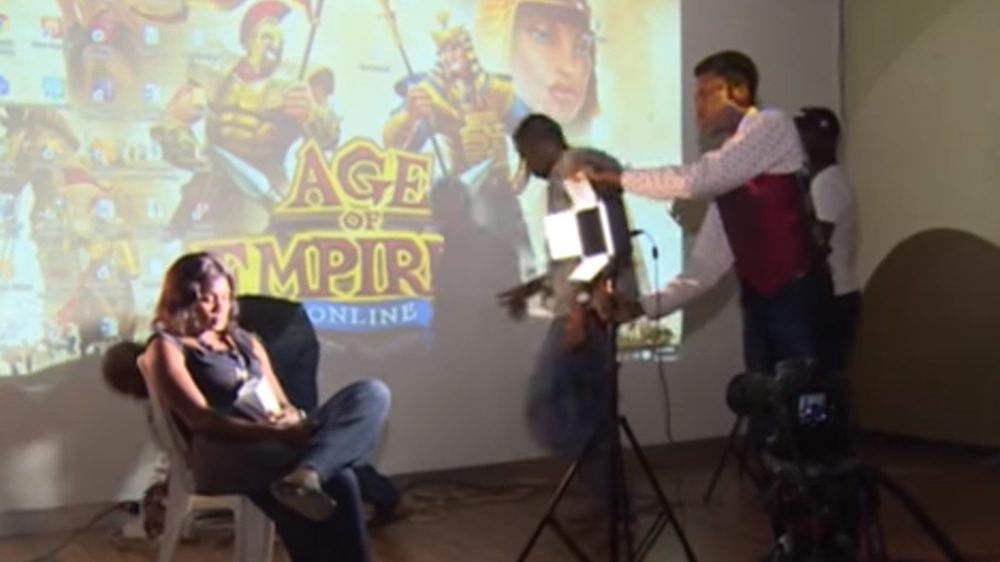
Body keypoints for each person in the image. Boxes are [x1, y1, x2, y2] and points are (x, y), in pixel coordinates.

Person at [562, 50, 833, 374]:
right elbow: (705, 269)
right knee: (761, 394)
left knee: (803, 393)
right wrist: (642, 307)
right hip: (759, 300)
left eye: (706, 94)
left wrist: (619, 179)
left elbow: (701, 178)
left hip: (799, 295)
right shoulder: (732, 170)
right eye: (696, 97)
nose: (698, 107)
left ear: (739, 91)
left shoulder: (772, 124)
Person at [143, 252, 389, 562]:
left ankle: (308, 472)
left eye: (225, 298)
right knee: (340, 479)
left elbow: (282, 401)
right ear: (183, 300)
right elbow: (201, 420)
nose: (220, 308)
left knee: (371, 394)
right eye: (208, 300)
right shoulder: (167, 347)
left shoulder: (245, 340)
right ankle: (308, 472)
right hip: (225, 449)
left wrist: (290, 418)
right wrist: (273, 434)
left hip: (274, 439)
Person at [498, 113, 641, 520]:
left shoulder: (570, 174)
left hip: (588, 311)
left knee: (546, 405)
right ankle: (614, 502)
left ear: (542, 145)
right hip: (593, 306)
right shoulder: (578, 173)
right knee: (589, 406)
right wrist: (535, 286)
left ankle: (610, 492)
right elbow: (576, 252)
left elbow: (596, 251)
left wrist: (577, 309)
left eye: (526, 155)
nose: (527, 167)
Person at [794, 107, 861, 371]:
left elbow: (818, 243)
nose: (799, 143)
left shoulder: (826, 184)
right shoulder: (824, 180)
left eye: (805, 134)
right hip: (832, 296)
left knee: (824, 379)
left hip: (831, 297)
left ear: (824, 139)